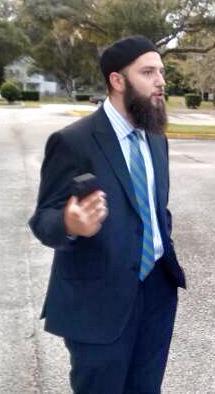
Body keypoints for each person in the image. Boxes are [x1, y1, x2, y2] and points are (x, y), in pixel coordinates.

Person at [28, 36, 186, 393]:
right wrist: (69, 224)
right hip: (98, 302)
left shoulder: (156, 137)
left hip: (156, 294)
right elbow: (43, 219)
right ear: (117, 81)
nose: (160, 80)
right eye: (148, 72)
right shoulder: (74, 141)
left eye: (161, 71)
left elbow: (156, 208)